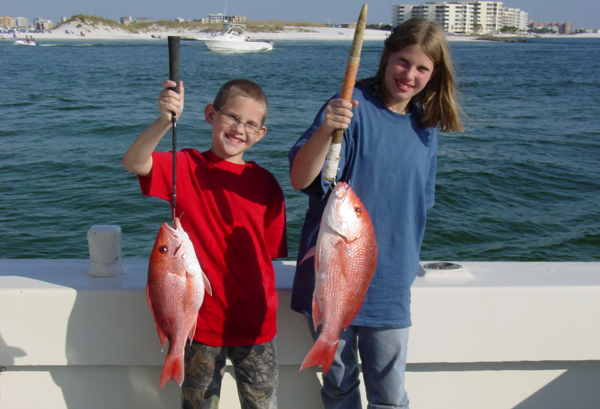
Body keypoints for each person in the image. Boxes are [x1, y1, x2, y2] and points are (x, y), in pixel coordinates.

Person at [288, 18, 463, 408]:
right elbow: (301, 178)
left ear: (434, 75)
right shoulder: (350, 107)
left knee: (389, 395)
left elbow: (421, 201)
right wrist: (325, 130)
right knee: (338, 387)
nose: (409, 75)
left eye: (422, 68)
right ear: (386, 58)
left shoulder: (426, 125)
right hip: (329, 276)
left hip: (390, 285)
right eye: (403, 61)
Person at [123, 78, 287, 408]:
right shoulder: (183, 166)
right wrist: (164, 121)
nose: (240, 128)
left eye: (251, 124)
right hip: (199, 323)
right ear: (211, 114)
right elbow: (135, 162)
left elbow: (271, 252)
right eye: (232, 117)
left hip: (256, 323)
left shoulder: (267, 183)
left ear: (261, 134)